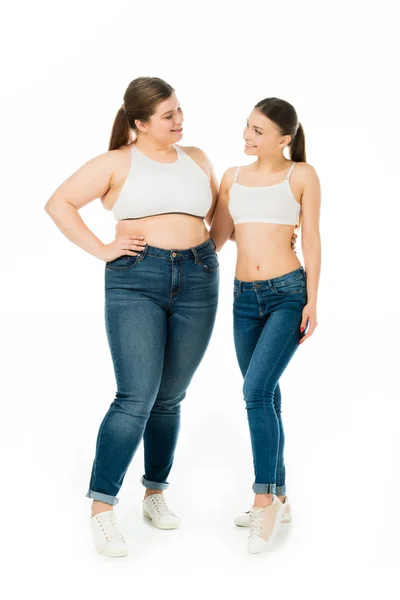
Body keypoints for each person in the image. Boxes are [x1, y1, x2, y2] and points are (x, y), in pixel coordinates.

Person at [44, 76, 223, 558]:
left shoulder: (199, 159)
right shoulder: (116, 162)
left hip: (199, 278)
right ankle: (103, 509)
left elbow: (219, 219)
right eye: (168, 115)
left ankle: (155, 493)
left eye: (180, 110)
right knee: (136, 396)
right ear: (139, 123)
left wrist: (207, 256)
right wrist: (104, 249)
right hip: (135, 281)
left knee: (170, 398)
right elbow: (58, 203)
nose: (179, 120)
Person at [209, 97, 321, 554]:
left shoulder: (302, 176)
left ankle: (263, 499)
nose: (247, 137)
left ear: (283, 138)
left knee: (255, 393)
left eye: (257, 130)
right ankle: (282, 495)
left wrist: (313, 298)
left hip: (287, 295)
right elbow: (215, 237)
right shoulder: (232, 178)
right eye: (246, 128)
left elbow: (311, 237)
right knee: (267, 394)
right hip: (243, 299)